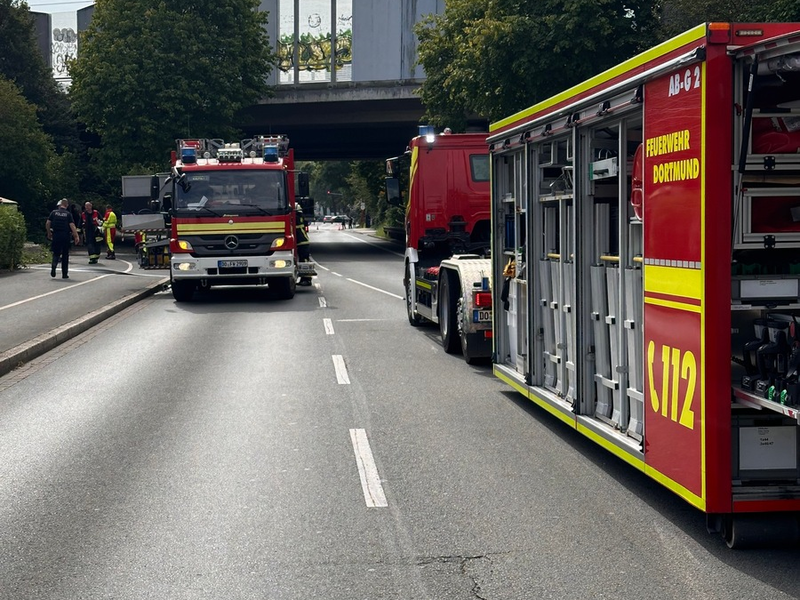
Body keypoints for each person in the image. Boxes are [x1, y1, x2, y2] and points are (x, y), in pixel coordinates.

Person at [45, 198, 81, 279]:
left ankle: (54, 266)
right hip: (65, 236)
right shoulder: (68, 214)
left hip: (56, 235)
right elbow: (72, 226)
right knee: (65, 255)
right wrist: (76, 236)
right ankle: (64, 274)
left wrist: (49, 232)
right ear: (67, 205)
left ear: (60, 205)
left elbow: (48, 223)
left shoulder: (54, 213)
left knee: (56, 253)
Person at [295, 204, 312, 286]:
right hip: (303, 241)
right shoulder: (301, 217)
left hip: (302, 242)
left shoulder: (296, 218)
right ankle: (304, 279)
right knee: (304, 260)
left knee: (304, 260)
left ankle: (307, 279)